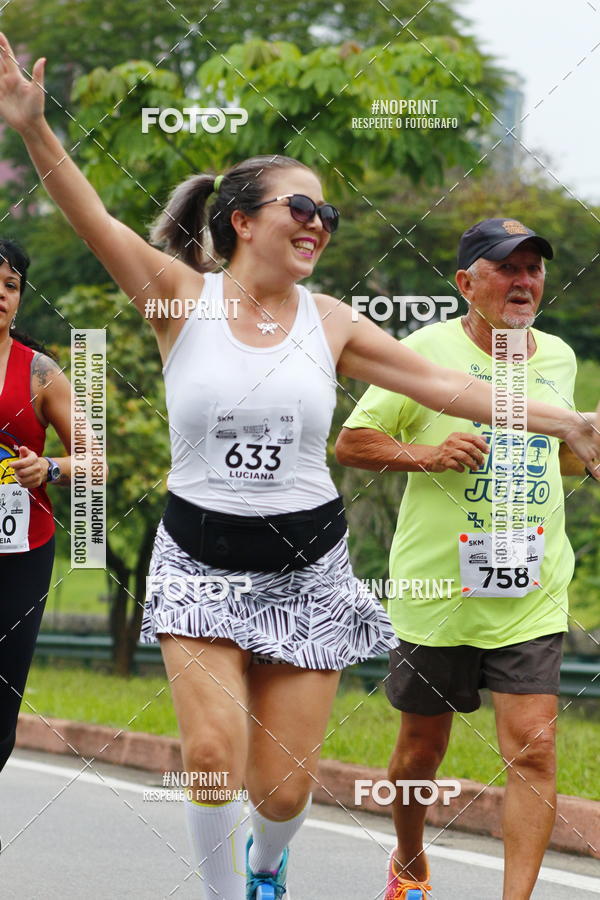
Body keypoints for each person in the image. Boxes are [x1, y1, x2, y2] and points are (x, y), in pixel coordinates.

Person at [0, 35, 598, 898]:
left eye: (329, 215)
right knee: (210, 759)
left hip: (306, 566)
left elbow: (446, 385)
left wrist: (566, 420)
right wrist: (33, 129)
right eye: (301, 209)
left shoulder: (333, 322)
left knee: (281, 791)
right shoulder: (177, 299)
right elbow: (91, 215)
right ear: (243, 221)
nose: (319, 224)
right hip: (199, 559)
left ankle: (267, 867)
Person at [336, 218, 595, 900]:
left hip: (529, 587)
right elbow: (353, 443)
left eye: (534, 267)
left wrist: (585, 456)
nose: (524, 281)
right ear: (466, 283)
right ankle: (410, 857)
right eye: (507, 268)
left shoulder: (559, 359)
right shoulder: (423, 351)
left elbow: (556, 456)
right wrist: (429, 453)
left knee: (534, 750)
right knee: (420, 753)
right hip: (436, 593)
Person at [0, 237, 73, 777]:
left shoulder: (40, 372)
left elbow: (97, 460)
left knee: (3, 700)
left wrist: (48, 468)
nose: (1, 294)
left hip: (21, 551)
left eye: (11, 286)